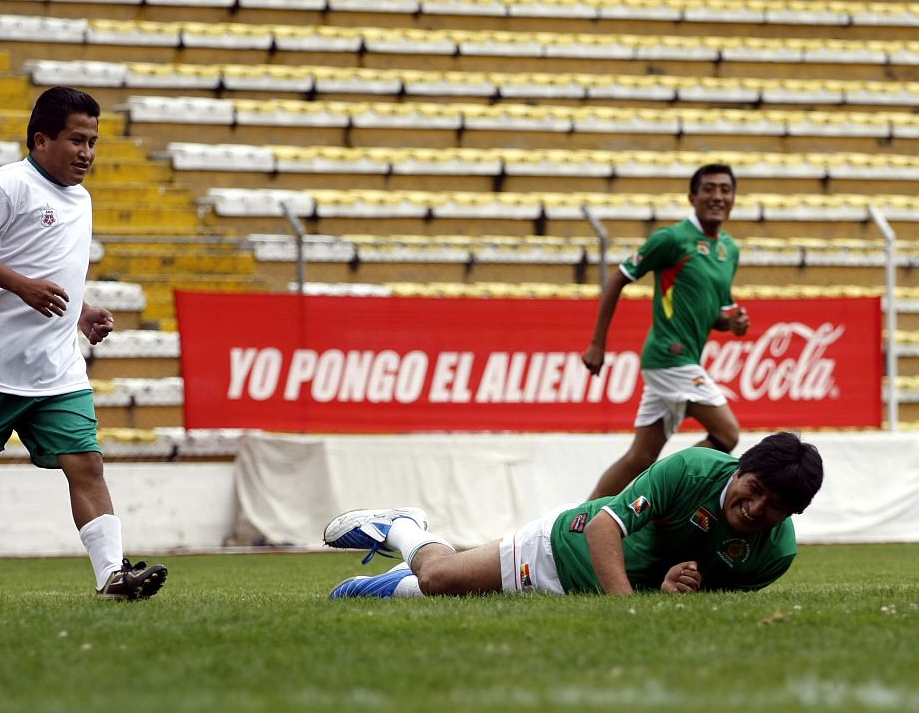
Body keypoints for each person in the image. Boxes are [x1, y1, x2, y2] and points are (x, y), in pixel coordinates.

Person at [0, 86, 166, 600]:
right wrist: (22, 287)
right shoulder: (7, 184)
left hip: (55, 369)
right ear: (41, 140)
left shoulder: (81, 198)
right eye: (76, 140)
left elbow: (56, 271)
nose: (86, 152)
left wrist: (82, 314)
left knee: (86, 463)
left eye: (93, 141)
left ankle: (112, 576)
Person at [323, 432, 822, 599]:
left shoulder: (776, 555)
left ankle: (384, 585)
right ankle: (403, 527)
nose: (756, 510)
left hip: (606, 585)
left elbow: (702, 599)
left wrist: (673, 593)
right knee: (437, 580)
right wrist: (629, 610)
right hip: (560, 550)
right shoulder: (693, 469)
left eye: (775, 508)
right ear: (741, 469)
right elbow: (605, 525)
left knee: (438, 596)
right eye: (754, 491)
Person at [581, 163, 750, 500]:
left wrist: (732, 323)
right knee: (727, 434)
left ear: (733, 197)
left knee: (640, 457)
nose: (718, 196)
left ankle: (581, 522)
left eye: (725, 189)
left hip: (681, 360)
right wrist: (597, 344)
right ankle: (668, 497)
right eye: (709, 189)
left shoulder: (728, 249)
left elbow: (717, 312)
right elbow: (618, 279)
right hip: (670, 356)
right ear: (692, 196)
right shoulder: (672, 239)